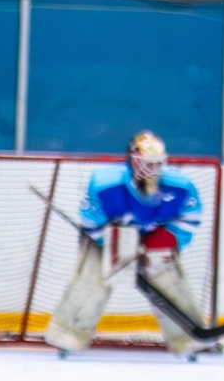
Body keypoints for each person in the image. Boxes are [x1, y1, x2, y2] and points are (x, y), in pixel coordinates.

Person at [43, 129, 212, 359]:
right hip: (108, 237)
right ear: (133, 161)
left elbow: (190, 218)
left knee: (167, 276)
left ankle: (187, 338)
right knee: (94, 276)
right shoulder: (105, 184)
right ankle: (68, 334)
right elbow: (91, 222)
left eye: (157, 163)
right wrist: (117, 245)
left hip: (153, 238)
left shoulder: (180, 186)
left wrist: (159, 241)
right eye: (147, 163)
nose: (152, 169)